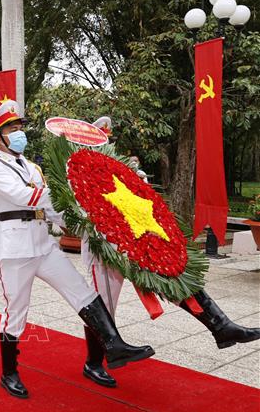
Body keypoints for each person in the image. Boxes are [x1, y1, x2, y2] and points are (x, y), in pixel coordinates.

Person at [0, 100, 153, 399]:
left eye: (20, 127)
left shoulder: (33, 167)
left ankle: (114, 346)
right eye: (12, 129)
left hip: (43, 243)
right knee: (16, 311)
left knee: (83, 292)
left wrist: (82, 223)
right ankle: (9, 372)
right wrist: (71, 186)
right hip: (15, 248)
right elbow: (24, 196)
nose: (19, 133)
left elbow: (52, 209)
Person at [78, 119, 260, 389]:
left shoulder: (122, 171)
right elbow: (73, 213)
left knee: (175, 279)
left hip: (138, 244)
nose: (106, 147)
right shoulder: (78, 170)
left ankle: (221, 325)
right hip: (105, 250)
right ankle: (93, 363)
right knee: (103, 308)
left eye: (108, 141)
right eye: (101, 141)